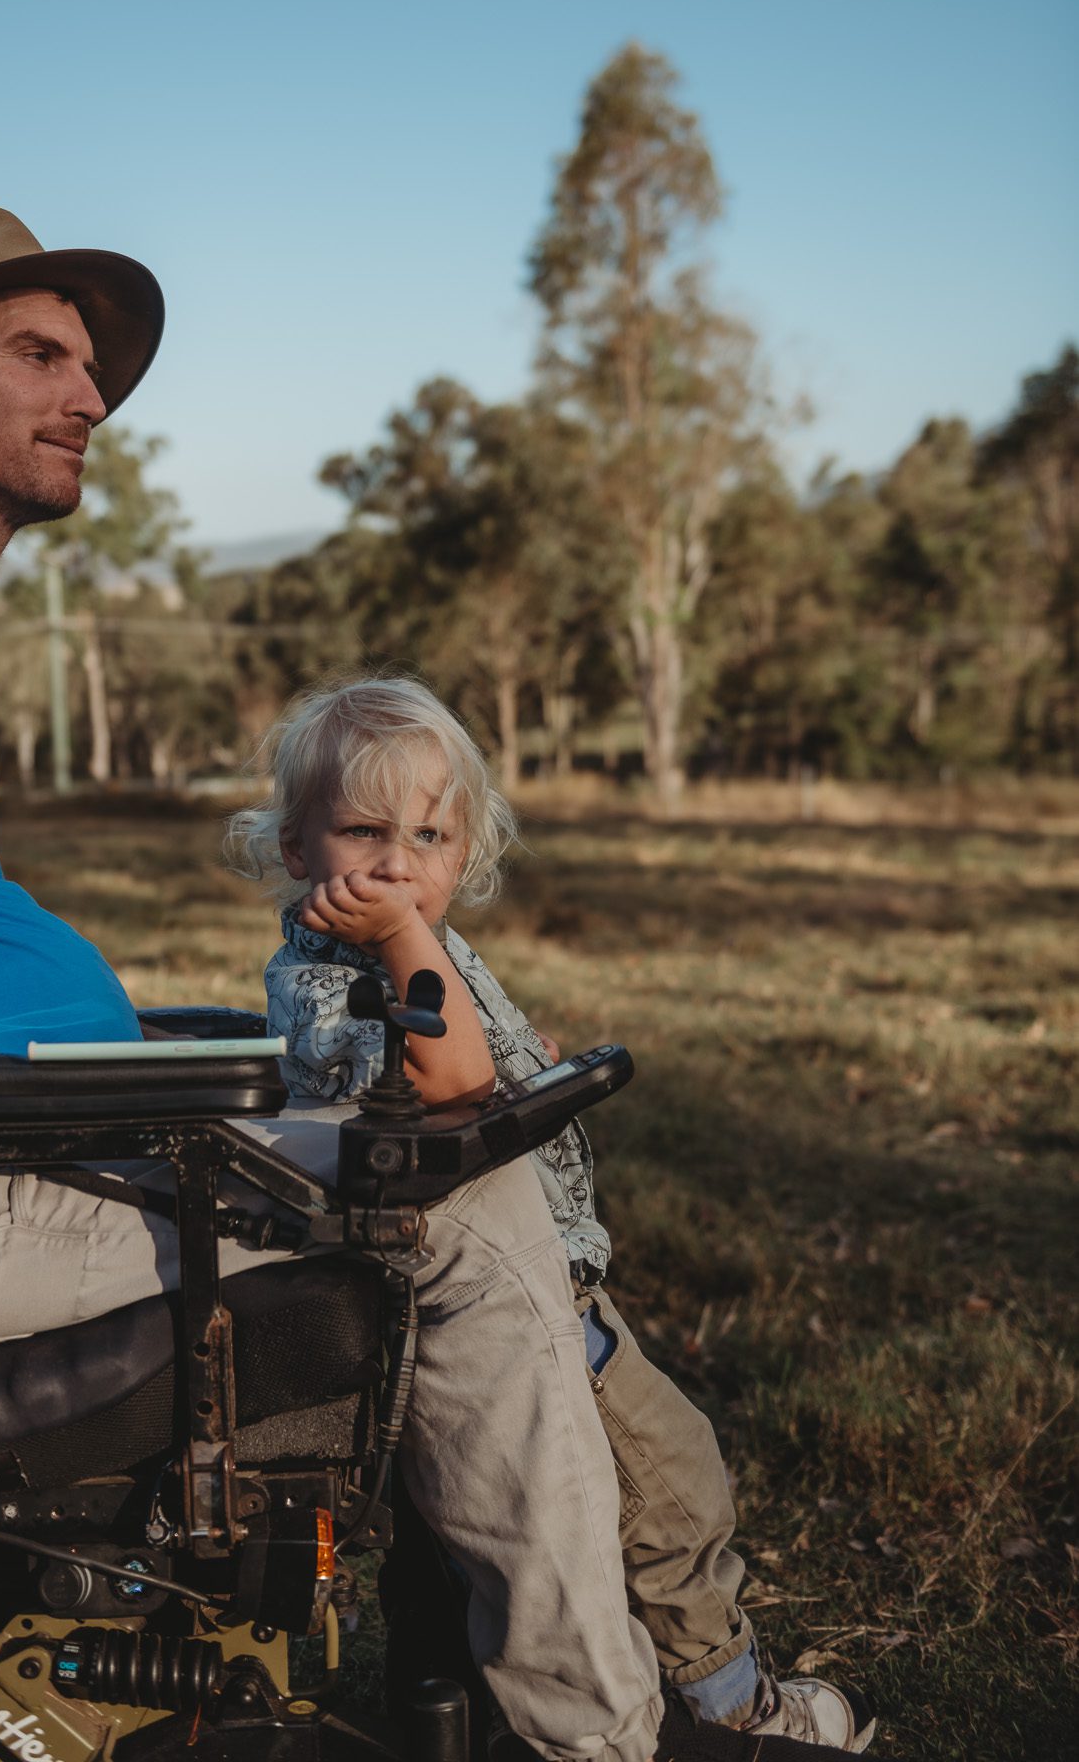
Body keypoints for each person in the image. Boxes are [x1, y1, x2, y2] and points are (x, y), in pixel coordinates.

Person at [0, 204, 821, 1762]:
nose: (89, 397)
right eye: (38, 356)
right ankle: (596, 1737)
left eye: (87, 365)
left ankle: (572, 1705)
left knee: (459, 1153)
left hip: (16, 1146)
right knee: (468, 1209)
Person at [225, 676, 875, 1753]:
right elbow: (459, 1081)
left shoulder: (401, 938)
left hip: (544, 1275)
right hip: (507, 1303)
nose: (397, 862)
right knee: (674, 1491)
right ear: (298, 846)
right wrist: (401, 934)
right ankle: (738, 1713)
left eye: (428, 834)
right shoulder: (332, 972)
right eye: (362, 830)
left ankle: (517, 1695)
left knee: (583, 1509)